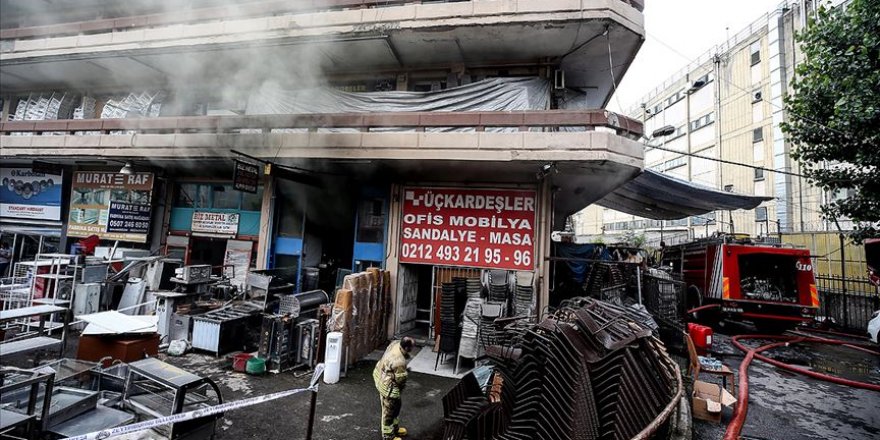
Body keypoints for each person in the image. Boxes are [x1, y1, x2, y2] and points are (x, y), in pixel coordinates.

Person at [373, 337, 415, 440]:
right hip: (388, 387)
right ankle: (388, 435)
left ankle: (395, 428)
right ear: (406, 347)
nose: (412, 350)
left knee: (396, 406)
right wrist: (405, 372)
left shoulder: (395, 344)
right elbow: (400, 379)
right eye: (411, 348)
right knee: (388, 411)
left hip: (381, 375)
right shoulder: (399, 362)